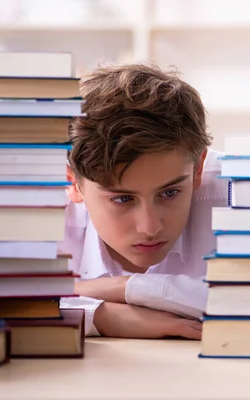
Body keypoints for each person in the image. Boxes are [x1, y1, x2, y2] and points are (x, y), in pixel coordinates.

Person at [58, 63, 228, 339]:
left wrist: (127, 288)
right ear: (73, 183)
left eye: (170, 193)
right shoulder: (30, 207)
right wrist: (100, 316)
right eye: (123, 198)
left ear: (198, 169)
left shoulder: (241, 194)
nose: (150, 227)